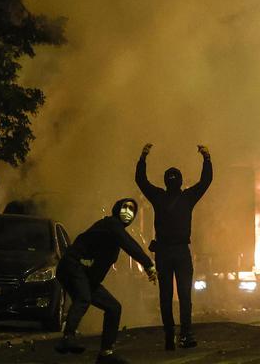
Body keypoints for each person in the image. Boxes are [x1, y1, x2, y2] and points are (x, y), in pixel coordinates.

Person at [55, 198, 157, 364]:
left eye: (132, 210)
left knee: (113, 307)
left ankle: (106, 354)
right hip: (72, 265)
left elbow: (101, 264)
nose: (128, 212)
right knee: (83, 298)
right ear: (117, 209)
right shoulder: (111, 224)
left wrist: (93, 281)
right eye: (125, 207)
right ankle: (67, 337)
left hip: (85, 274)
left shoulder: (115, 235)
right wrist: (148, 265)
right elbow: (129, 244)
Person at [135, 143, 212, 350]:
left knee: (165, 296)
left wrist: (143, 157)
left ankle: (169, 336)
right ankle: (185, 334)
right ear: (179, 182)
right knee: (185, 296)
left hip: (163, 252)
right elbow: (206, 181)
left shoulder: (158, 197)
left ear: (166, 182)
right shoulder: (187, 197)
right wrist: (206, 158)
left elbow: (140, 180)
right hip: (180, 252)